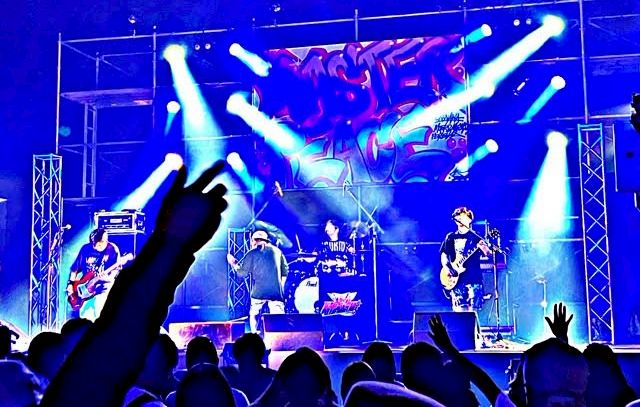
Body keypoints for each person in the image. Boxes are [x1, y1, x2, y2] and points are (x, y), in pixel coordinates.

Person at [227, 230, 289, 333]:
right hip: (276, 292)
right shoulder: (277, 251)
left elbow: (242, 273)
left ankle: (255, 334)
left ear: (254, 241)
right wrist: (280, 287)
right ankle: (279, 338)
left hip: (259, 291)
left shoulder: (252, 253)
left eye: (252, 241)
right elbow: (285, 271)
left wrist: (233, 263)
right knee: (278, 317)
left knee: (254, 313)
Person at [66, 228, 128, 321]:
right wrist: (70, 284)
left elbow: (115, 271)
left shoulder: (112, 250)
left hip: (103, 289)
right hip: (85, 288)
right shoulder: (86, 249)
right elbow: (75, 269)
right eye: (93, 244)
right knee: (85, 317)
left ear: (105, 241)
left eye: (98, 244)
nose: (95, 247)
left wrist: (107, 277)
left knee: (100, 315)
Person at [439, 207, 491, 312]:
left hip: (474, 279)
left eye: (463, 218)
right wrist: (448, 268)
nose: (460, 221)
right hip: (456, 281)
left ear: (469, 219)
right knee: (459, 313)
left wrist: (485, 248)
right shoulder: (451, 237)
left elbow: (488, 254)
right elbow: (444, 254)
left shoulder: (476, 237)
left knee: (474, 312)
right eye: (458, 218)